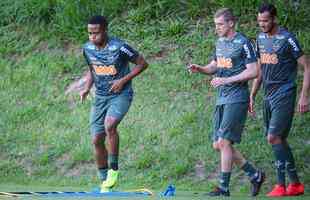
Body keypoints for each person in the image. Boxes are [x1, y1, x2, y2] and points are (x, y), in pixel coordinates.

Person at [188, 8, 265, 197]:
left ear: (231, 23)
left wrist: (226, 80)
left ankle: (223, 187)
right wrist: (200, 68)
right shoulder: (220, 42)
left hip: (237, 98)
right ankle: (254, 175)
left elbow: (254, 71)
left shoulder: (243, 43)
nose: (217, 28)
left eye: (220, 24)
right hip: (222, 98)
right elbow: (215, 66)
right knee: (218, 145)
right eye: (215, 25)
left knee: (223, 142)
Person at [80, 15, 148, 191]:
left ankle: (114, 169)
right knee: (96, 139)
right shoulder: (87, 48)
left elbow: (142, 63)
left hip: (121, 94)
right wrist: (87, 87)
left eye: (96, 33)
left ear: (105, 30)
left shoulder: (120, 47)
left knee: (110, 125)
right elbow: (92, 69)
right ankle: (105, 182)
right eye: (89, 33)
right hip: (100, 98)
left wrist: (123, 80)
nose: (92, 37)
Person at [250, 3, 309, 197]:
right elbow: (260, 70)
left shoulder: (287, 38)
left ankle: (280, 186)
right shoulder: (259, 38)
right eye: (259, 21)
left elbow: (307, 67)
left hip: (285, 93)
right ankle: (296, 185)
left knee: (273, 137)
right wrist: (252, 94)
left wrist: (304, 95)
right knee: (279, 139)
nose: (262, 24)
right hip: (267, 95)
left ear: (274, 19)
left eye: (265, 20)